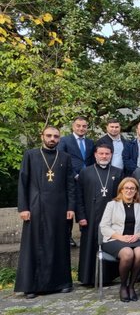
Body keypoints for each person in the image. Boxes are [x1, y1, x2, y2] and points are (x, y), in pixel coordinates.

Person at [15, 126, 75, 299]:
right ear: (42, 136)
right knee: (34, 246)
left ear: (59, 139)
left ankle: (62, 282)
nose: (52, 139)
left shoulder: (65, 157)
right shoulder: (31, 155)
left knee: (59, 245)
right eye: (49, 136)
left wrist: (71, 207)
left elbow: (70, 184)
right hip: (35, 207)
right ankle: (31, 286)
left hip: (59, 209)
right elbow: (23, 182)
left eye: (56, 136)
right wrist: (23, 208)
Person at [76, 142, 123, 286]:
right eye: (101, 153)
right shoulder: (86, 172)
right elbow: (79, 196)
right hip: (90, 216)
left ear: (111, 155)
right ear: (95, 155)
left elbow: (121, 196)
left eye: (107, 154)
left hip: (111, 218)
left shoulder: (117, 172)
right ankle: (88, 278)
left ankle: (108, 277)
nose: (104, 156)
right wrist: (81, 216)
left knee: (110, 244)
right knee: (90, 245)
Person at [99, 178, 140, 302]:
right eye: (126, 188)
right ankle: (123, 286)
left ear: (136, 191)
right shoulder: (112, 205)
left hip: (135, 239)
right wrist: (120, 237)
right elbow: (104, 226)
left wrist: (138, 235)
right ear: (121, 190)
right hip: (114, 239)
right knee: (128, 253)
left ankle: (131, 286)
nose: (129, 190)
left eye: (132, 188)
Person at [58, 116, 95, 248]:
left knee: (85, 206)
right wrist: (74, 175)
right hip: (71, 180)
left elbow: (91, 161)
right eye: (78, 126)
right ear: (73, 126)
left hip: (87, 180)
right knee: (70, 207)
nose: (81, 128)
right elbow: (61, 160)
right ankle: (67, 236)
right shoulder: (64, 141)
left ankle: (84, 233)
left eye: (84, 126)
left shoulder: (90, 142)